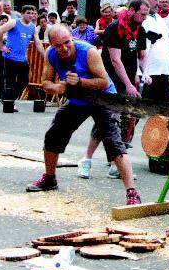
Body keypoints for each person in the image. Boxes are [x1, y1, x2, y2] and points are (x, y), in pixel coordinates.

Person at [25, 25, 141, 205]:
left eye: (67, 43)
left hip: (103, 99)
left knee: (113, 142)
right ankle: (50, 178)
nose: (63, 48)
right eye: (58, 45)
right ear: (52, 45)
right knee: (54, 133)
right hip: (79, 100)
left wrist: (80, 81)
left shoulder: (89, 52)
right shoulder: (51, 54)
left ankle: (132, 192)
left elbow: (103, 82)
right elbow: (45, 82)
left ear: (72, 38)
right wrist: (58, 87)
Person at [77, 0, 149, 180]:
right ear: (131, 11)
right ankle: (87, 160)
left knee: (125, 122)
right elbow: (116, 60)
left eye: (146, 14)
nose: (144, 17)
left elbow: (141, 56)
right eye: (142, 14)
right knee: (105, 121)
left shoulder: (141, 30)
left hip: (128, 83)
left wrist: (144, 73)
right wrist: (129, 84)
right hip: (109, 81)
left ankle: (116, 163)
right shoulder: (114, 28)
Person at [0, 5, 45, 107]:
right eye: (28, 13)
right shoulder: (14, 22)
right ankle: (9, 102)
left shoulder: (33, 27)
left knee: (25, 80)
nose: (30, 15)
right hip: (10, 57)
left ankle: (6, 99)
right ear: (23, 13)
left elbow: (38, 43)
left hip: (23, 59)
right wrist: (2, 46)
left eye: (32, 13)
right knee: (10, 81)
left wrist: (45, 55)